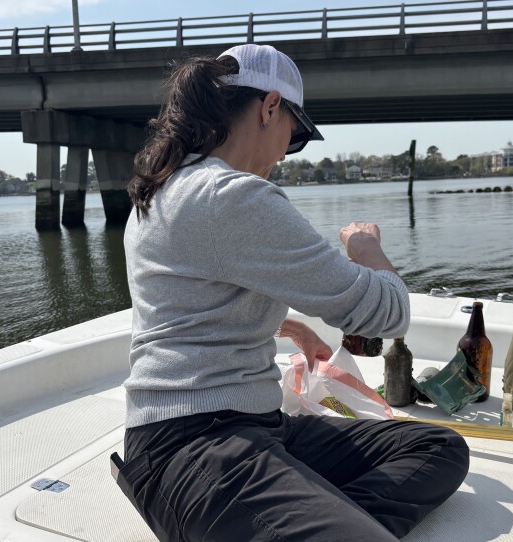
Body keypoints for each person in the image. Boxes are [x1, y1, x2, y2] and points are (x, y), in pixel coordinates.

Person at [112, 43, 469, 541]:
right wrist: (366, 248)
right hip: (195, 449)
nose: (285, 152)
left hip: (246, 427)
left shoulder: (165, 186)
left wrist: (292, 326)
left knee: (439, 449)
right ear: (270, 107)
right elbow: (387, 314)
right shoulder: (230, 196)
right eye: (293, 136)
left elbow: (188, 298)